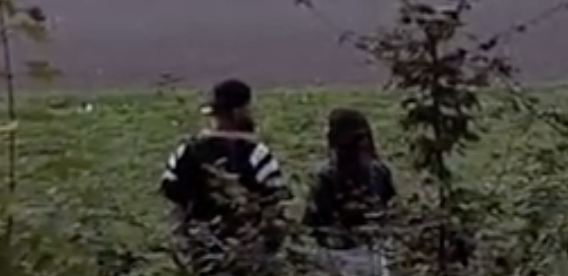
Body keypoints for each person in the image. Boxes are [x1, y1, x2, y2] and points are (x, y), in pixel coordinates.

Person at [161, 78, 289, 274]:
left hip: (197, 245)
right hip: (245, 247)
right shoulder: (256, 153)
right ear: (240, 111)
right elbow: (275, 195)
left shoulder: (188, 151)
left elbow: (170, 187)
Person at [303, 107, 397, 276]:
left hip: (335, 254)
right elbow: (389, 204)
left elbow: (313, 221)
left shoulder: (326, 176)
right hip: (372, 252)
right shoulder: (380, 171)